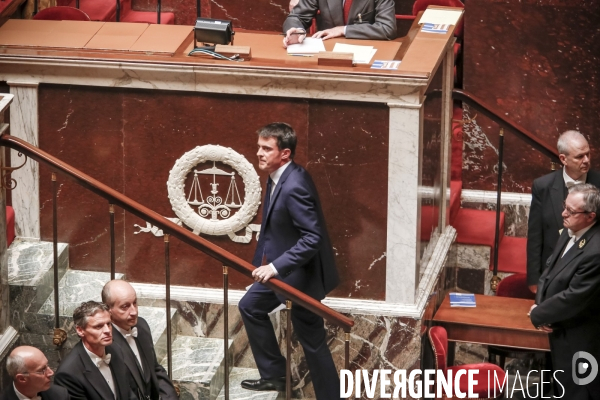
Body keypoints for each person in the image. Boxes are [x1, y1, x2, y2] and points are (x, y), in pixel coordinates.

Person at [238, 123, 340, 399]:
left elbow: (312, 238)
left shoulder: (294, 184)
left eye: (266, 148)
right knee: (250, 306)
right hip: (282, 272)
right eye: (259, 146)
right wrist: (259, 267)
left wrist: (273, 267)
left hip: (300, 278)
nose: (258, 153)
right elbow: (273, 230)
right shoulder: (278, 176)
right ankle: (274, 375)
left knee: (313, 343)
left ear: (284, 153)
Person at [529, 183, 600, 399]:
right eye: (564, 206)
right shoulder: (571, 230)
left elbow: (574, 297)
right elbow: (549, 270)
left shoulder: (595, 251)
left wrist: (538, 314)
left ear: (590, 216)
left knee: (578, 392)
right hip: (560, 330)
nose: (563, 213)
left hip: (581, 340)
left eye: (570, 210)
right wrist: (541, 305)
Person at [527, 130, 600, 292]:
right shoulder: (542, 186)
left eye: (588, 154)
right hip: (552, 270)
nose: (586, 160)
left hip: (589, 273)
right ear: (563, 159)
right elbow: (535, 235)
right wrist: (533, 278)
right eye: (579, 156)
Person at [102, 280, 178, 400]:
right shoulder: (105, 343)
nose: (134, 312)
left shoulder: (142, 325)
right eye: (125, 307)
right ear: (108, 309)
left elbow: (155, 368)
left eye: (135, 303)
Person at [54, 301, 136, 400]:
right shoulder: (68, 374)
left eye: (109, 324)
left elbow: (128, 392)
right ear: (80, 330)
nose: (107, 331)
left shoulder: (116, 348)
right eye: (99, 326)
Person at [282, 0, 397, 47]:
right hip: (327, 54)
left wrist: (343, 30)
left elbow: (387, 28)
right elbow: (297, 16)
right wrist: (296, 30)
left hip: (367, 53)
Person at [1, 346, 70, 400]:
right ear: (22, 379)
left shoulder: (60, 395)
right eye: (42, 370)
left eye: (47, 366)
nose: (51, 372)